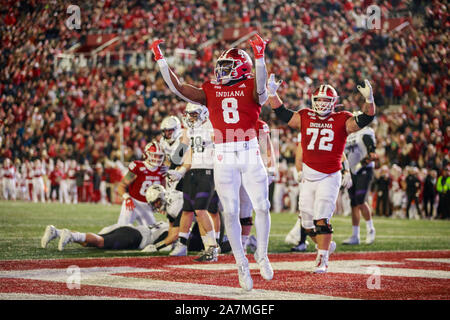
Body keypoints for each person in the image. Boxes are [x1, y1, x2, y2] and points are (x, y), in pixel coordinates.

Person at [151, 34, 272, 291]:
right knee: (229, 211)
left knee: (262, 206)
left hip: (249, 150)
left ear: (241, 68)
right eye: (221, 66)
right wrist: (161, 60)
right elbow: (179, 88)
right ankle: (241, 263)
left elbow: (261, 92)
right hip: (224, 153)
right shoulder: (211, 89)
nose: (221, 71)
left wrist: (260, 57)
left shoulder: (252, 82)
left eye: (227, 67)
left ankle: (262, 253)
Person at [267, 73, 376, 273]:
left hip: (329, 175)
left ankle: (322, 259)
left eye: (327, 100)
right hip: (308, 176)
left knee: (321, 219)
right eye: (319, 100)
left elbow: (367, 117)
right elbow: (282, 112)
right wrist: (272, 94)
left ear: (334, 102)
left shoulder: (342, 119)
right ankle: (325, 245)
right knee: (307, 223)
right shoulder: (305, 115)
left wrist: (369, 100)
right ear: (313, 101)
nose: (323, 104)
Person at [41, 185, 175, 252]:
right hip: (135, 236)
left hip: (130, 229)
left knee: (91, 240)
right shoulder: (169, 228)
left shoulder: (165, 223)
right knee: (100, 242)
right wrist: (156, 247)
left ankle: (56, 232)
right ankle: (70, 235)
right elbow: (167, 242)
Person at [167, 103, 219, 262]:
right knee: (187, 210)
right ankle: (182, 245)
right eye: (189, 114)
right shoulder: (189, 129)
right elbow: (186, 153)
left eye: (194, 114)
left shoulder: (212, 126)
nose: (190, 117)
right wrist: (179, 171)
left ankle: (212, 247)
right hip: (192, 172)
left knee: (201, 210)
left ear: (203, 113)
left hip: (208, 171)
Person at [342, 118, 377, 245]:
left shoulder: (365, 132)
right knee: (353, 204)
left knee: (361, 201)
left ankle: (370, 229)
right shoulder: (348, 135)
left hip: (364, 170)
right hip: (352, 172)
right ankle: (355, 235)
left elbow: (372, 155)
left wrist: (359, 166)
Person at [116, 141, 166, 226]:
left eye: (160, 156)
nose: (157, 158)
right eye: (155, 155)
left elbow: (163, 189)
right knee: (122, 228)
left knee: (152, 232)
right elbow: (121, 186)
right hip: (133, 203)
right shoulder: (138, 167)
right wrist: (127, 198)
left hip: (147, 206)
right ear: (147, 155)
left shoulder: (162, 170)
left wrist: (161, 204)